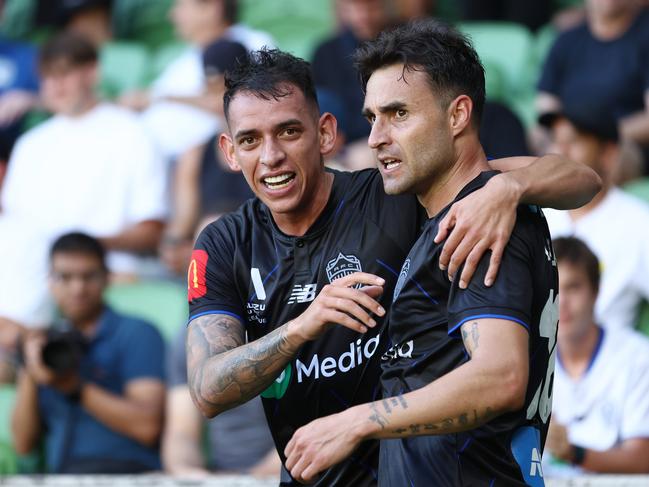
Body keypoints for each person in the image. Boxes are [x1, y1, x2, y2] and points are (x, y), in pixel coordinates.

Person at [186, 48, 599, 486]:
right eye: (250, 140)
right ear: (229, 152)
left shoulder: (394, 193)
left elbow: (582, 180)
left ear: (325, 133)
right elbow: (208, 391)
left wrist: (509, 188)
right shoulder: (224, 244)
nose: (271, 157)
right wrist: (302, 328)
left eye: (288, 132)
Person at [284, 20, 566, 485]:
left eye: (398, 114)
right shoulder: (466, 207)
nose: (376, 137)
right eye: (372, 117)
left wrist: (357, 421)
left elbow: (501, 376)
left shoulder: (479, 224)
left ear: (457, 116)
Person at [0, 32, 166, 332]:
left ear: (92, 72)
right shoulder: (29, 144)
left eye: (64, 74)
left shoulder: (132, 134)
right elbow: (14, 229)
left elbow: (151, 231)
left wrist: (80, 248)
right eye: (47, 78)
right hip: (30, 281)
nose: (54, 86)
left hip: (105, 276)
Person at [11, 232, 166, 473]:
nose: (78, 288)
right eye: (65, 277)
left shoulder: (137, 333)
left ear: (107, 277)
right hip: (62, 475)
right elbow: (22, 445)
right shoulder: (44, 344)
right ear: (50, 282)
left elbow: (147, 427)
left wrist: (74, 387)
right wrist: (29, 370)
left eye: (88, 276)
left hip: (129, 473)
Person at [543, 237, 649, 475]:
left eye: (573, 287)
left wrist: (572, 452)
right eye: (554, 289)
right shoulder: (527, 357)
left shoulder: (639, 357)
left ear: (597, 290)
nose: (563, 303)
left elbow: (643, 459)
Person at [119, 0, 274, 160]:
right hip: (147, 153)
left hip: (214, 161)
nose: (172, 15)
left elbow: (241, 103)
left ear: (211, 7)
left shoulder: (255, 44)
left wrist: (162, 97)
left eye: (181, 6)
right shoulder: (184, 60)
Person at [540, 105, 649, 332]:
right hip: (534, 361)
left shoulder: (639, 223)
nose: (560, 152)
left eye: (573, 142)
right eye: (556, 141)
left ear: (608, 154)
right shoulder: (535, 215)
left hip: (612, 363)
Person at [537, 0, 649, 173]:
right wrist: (562, 140)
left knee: (609, 155)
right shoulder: (567, 39)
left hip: (621, 142)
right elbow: (546, 106)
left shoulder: (644, 36)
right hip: (567, 138)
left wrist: (596, 136)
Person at [163, 326, 280, 476]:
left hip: (290, 471)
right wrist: (188, 472)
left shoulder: (296, 324)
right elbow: (181, 432)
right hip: (222, 473)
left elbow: (305, 434)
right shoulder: (193, 335)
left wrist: (250, 478)